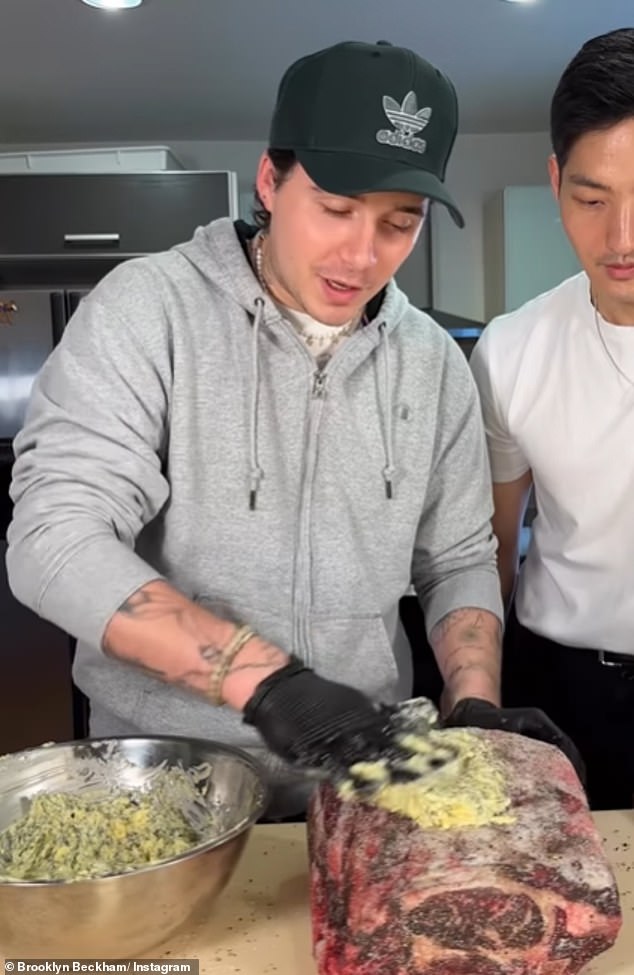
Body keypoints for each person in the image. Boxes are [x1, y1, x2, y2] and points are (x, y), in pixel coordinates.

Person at [6, 40, 580, 819]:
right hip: (163, 781)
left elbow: (458, 559)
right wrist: (266, 681)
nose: (362, 254)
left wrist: (472, 699)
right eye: (337, 208)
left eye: (398, 223)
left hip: (357, 780)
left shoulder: (433, 363)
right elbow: (54, 540)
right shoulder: (148, 311)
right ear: (270, 180)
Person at [470, 28, 634, 812]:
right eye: (591, 198)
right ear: (553, 181)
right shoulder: (511, 349)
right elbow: (490, 550)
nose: (622, 238)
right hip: (560, 684)